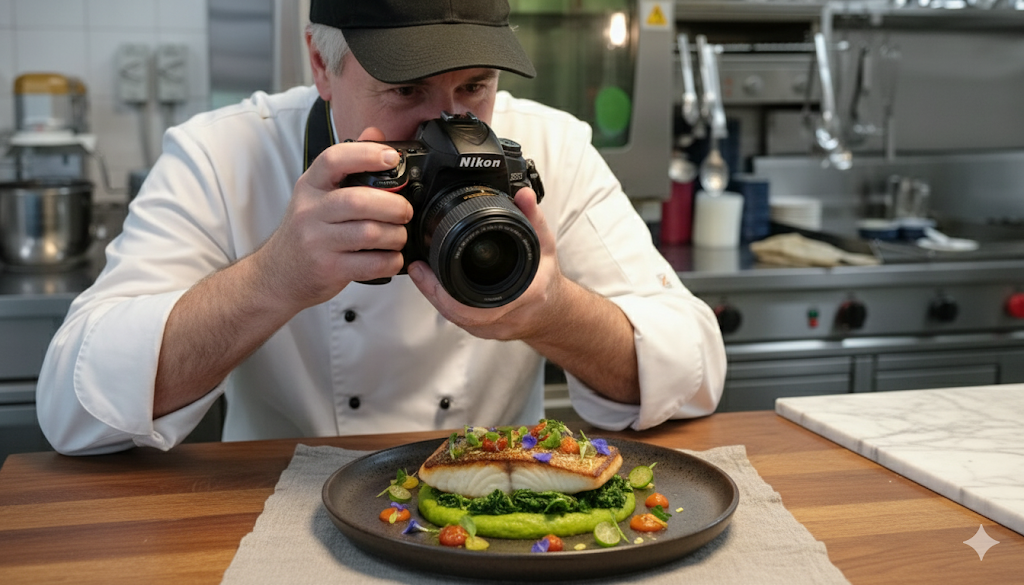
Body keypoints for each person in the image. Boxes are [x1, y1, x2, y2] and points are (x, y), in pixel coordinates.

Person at [36, 0, 726, 456]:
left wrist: (553, 312)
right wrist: (274, 279)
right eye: (406, 91)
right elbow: (75, 406)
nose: (446, 122)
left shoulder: (552, 146)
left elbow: (693, 368)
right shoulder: (223, 155)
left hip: (494, 521)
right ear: (320, 64)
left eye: (474, 87)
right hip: (282, 519)